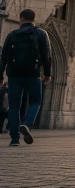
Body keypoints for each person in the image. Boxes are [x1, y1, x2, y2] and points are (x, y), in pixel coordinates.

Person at [0, 9, 52, 147]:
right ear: (34, 20)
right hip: (33, 74)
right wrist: (47, 74)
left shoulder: (12, 35)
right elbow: (47, 55)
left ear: (21, 19)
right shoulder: (41, 33)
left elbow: (3, 57)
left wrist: (0, 76)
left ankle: (14, 139)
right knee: (35, 101)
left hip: (14, 75)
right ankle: (27, 124)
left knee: (14, 106)